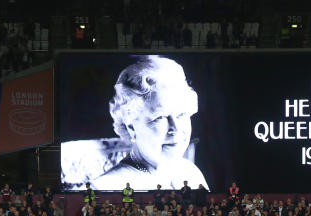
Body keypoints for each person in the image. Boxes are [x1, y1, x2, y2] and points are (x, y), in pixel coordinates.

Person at [65, 56, 209, 192]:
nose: (176, 129)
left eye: (181, 114)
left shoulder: (191, 173)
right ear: (131, 127)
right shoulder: (102, 189)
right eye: (159, 117)